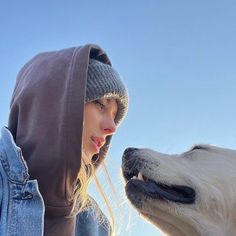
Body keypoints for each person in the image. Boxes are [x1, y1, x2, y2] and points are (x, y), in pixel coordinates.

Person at [0, 44, 129, 236]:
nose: (112, 128)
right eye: (101, 104)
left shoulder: (96, 225)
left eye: (114, 116)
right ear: (52, 102)